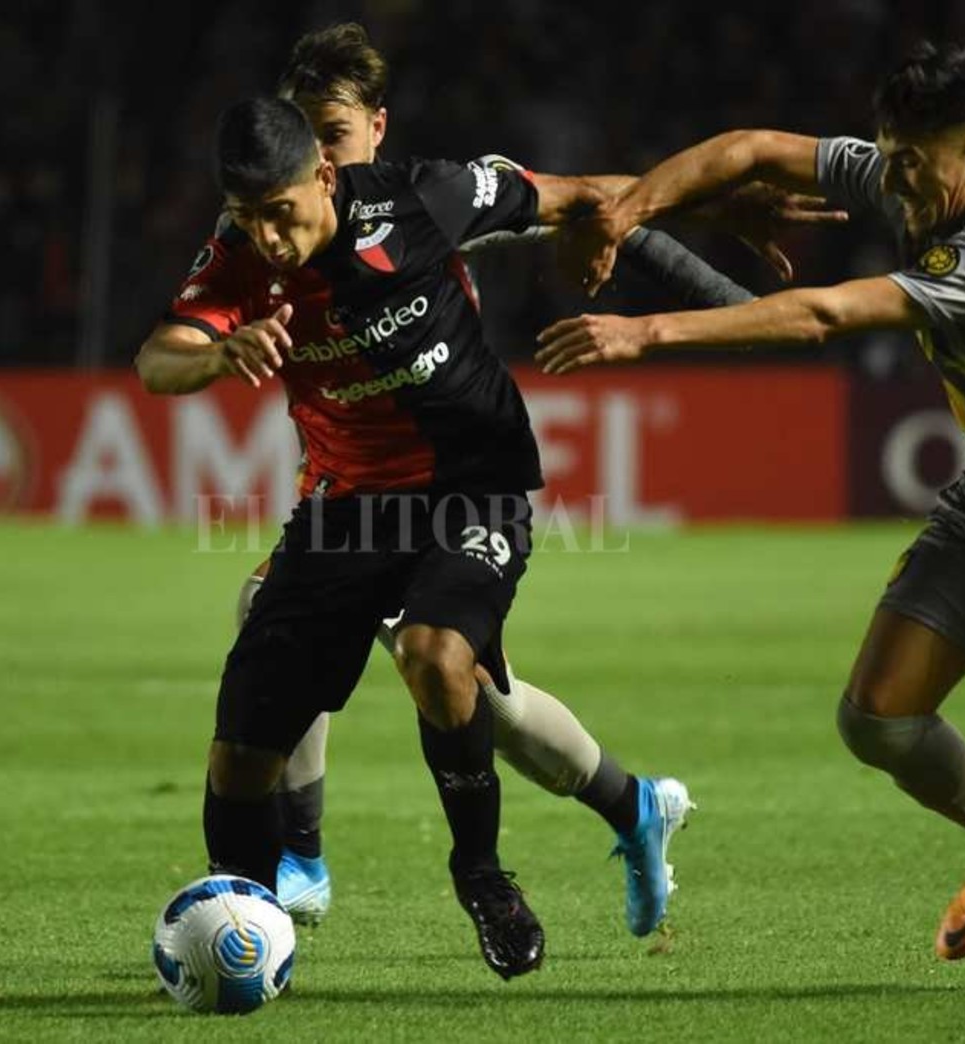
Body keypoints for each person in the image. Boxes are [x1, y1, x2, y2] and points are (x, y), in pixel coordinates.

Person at [538, 41, 965, 992]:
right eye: (886, 154)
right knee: (876, 719)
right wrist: (627, 215)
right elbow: (755, 149)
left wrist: (646, 329)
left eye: (910, 163)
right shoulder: (920, 175)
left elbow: (826, 317)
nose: (893, 178)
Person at [136, 93, 643, 979]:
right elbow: (156, 358)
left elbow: (575, 193)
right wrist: (216, 354)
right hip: (347, 508)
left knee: (435, 653)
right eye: (247, 216)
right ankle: (249, 928)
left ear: (324, 177)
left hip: (471, 488)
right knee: (240, 754)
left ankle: (480, 876)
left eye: (281, 213)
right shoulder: (235, 257)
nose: (267, 236)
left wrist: (660, 208)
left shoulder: (420, 199)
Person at [233, 22, 707, 938]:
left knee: (471, 692)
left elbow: (581, 197)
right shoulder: (272, 222)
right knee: (307, 634)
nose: (311, 152)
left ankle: (628, 805)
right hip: (348, 488)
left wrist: (658, 228)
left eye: (329, 132)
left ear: (375, 127)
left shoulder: (426, 198)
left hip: (445, 484)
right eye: (299, 132)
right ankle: (305, 856)